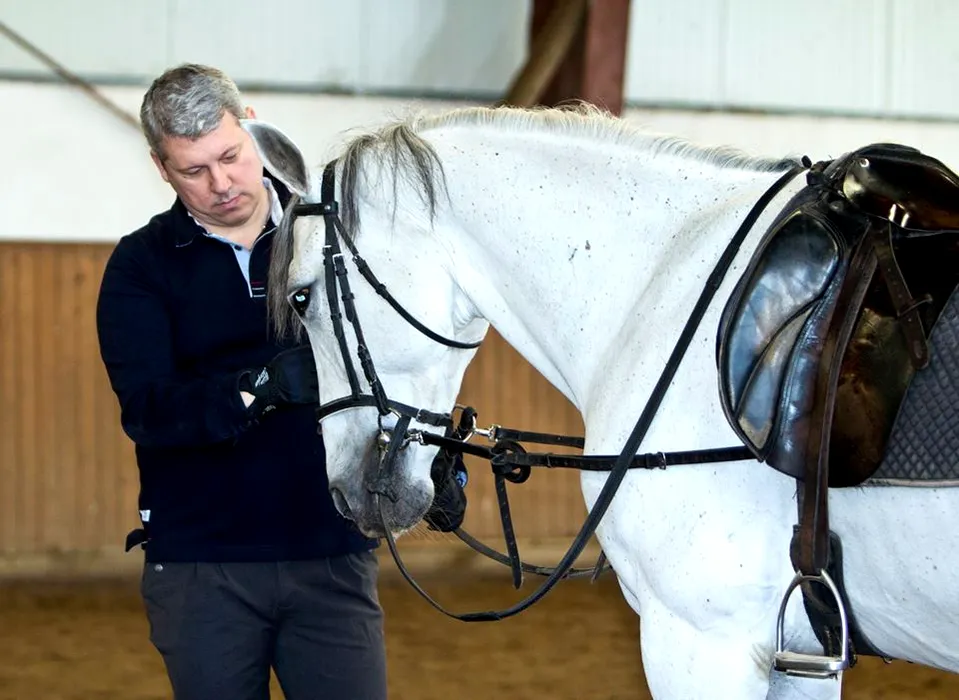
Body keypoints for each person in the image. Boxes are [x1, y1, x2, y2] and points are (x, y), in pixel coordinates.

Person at [95, 63, 387, 700]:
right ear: (161, 167)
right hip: (202, 565)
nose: (221, 183)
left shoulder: (334, 239)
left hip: (331, 552)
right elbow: (148, 410)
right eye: (193, 170)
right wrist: (258, 387)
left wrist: (429, 456)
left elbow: (388, 367)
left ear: (253, 127)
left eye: (230, 156)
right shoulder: (140, 265)